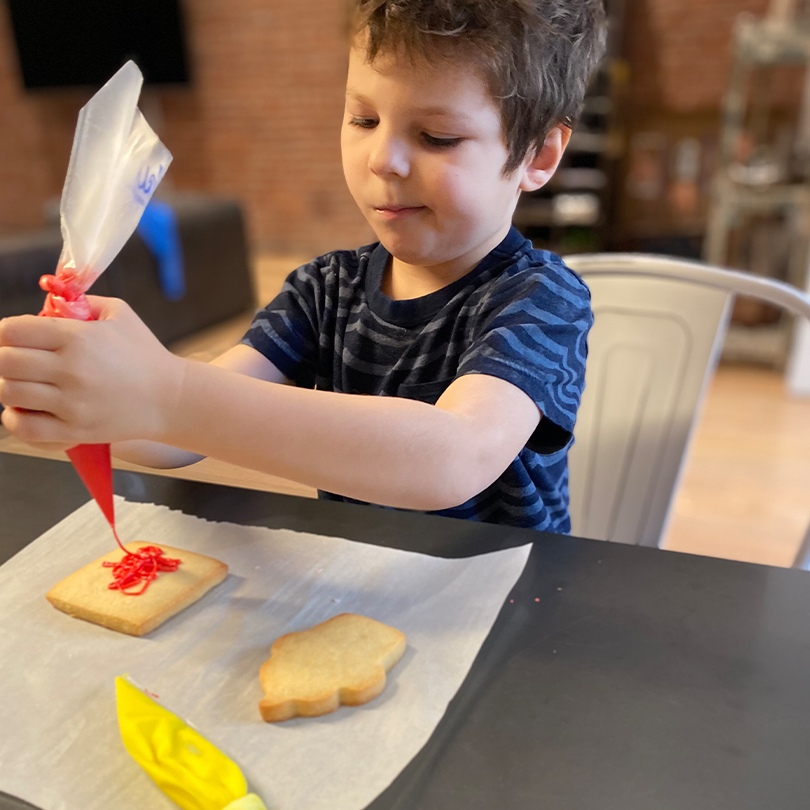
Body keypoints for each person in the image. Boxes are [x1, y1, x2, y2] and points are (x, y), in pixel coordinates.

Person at [0, 0, 606, 533]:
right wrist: (94, 399)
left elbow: (452, 460)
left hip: (502, 605)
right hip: (358, 591)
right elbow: (172, 437)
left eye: (437, 136)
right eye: (363, 120)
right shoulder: (325, 289)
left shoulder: (542, 298)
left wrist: (168, 392)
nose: (382, 159)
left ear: (538, 154)